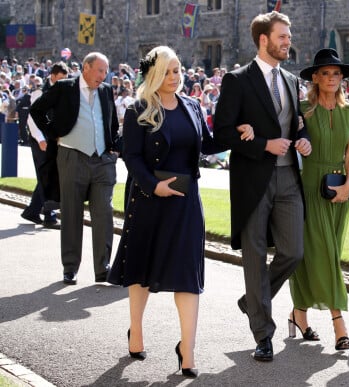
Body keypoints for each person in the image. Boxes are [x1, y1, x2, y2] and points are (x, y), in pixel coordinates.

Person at [107, 46, 251, 377]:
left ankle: (187, 349)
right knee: (141, 269)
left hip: (186, 205)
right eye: (169, 71)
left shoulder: (191, 105)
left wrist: (238, 133)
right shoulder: (138, 110)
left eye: (178, 70)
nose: (176, 76)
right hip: (149, 201)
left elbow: (207, 144)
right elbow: (132, 156)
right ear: (155, 74)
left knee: (188, 275)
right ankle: (136, 331)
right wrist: (152, 186)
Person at [213, 11, 312, 362]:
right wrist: (262, 145)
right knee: (254, 258)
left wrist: (303, 140)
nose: (288, 41)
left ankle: (252, 301)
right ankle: (263, 334)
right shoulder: (237, 80)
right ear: (264, 39)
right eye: (282, 36)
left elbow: (296, 125)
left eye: (289, 35)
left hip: (288, 177)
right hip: (252, 179)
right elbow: (221, 133)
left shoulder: (290, 79)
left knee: (293, 251)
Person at [286, 48, 349, 351]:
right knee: (325, 254)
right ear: (315, 77)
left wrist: (348, 186)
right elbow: (290, 144)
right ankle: (339, 324)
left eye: (336, 73)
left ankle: (298, 315)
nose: (331, 78)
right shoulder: (302, 110)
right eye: (325, 73)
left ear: (342, 78)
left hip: (340, 189)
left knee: (323, 254)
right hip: (310, 187)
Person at [29, 52, 120, 285]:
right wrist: (53, 133)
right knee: (71, 212)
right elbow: (37, 110)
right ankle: (70, 267)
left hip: (102, 161)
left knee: (104, 212)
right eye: (100, 70)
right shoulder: (64, 87)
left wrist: (113, 149)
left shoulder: (106, 90)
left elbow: (111, 124)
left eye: (106, 70)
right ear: (86, 68)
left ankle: (103, 267)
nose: (104, 75)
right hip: (72, 157)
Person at [20, 62, 69, 228]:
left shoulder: (61, 92)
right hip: (40, 140)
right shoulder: (40, 93)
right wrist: (41, 139)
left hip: (53, 139)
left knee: (48, 175)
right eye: (61, 78)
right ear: (53, 76)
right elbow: (32, 118)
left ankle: (33, 211)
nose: (64, 81)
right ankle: (49, 215)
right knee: (48, 175)